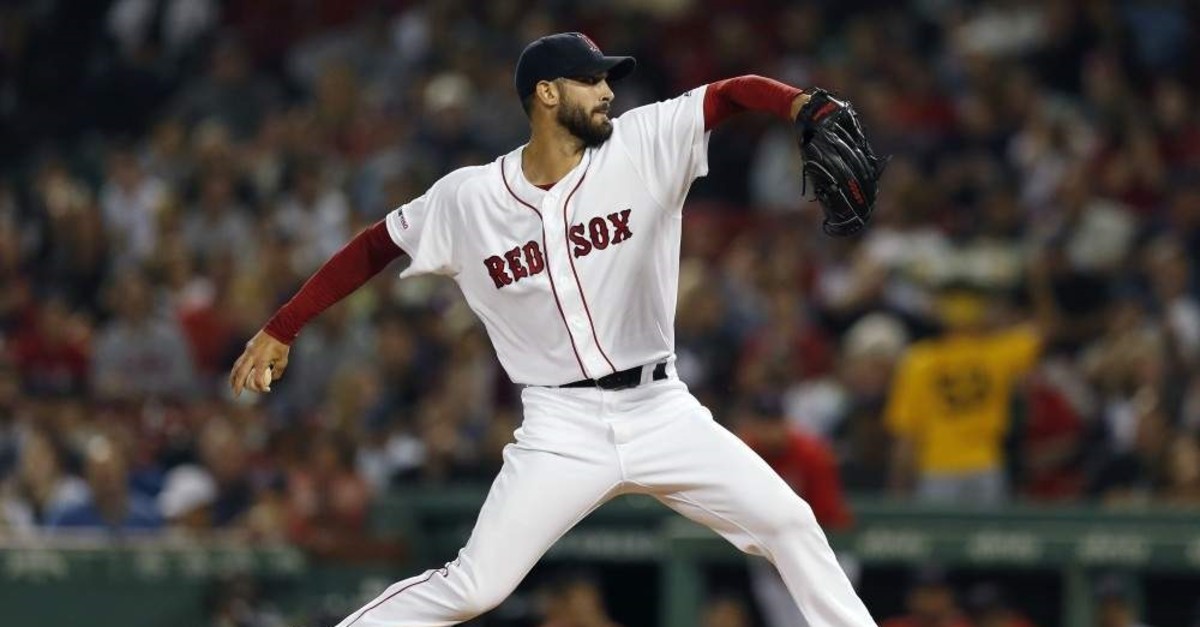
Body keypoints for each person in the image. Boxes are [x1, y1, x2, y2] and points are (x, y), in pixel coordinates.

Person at [229, 32, 876, 626]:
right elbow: (376, 245)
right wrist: (283, 327)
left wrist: (802, 107)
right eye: (591, 81)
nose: (607, 92)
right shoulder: (470, 198)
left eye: (608, 81)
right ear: (546, 94)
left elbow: (729, 94)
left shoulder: (641, 141)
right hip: (560, 427)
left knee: (789, 521)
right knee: (475, 587)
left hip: (662, 410)